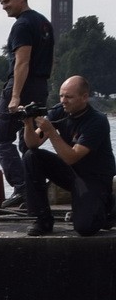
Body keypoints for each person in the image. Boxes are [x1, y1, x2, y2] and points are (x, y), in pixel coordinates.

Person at [21, 75, 115, 236]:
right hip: (72, 173)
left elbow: (72, 157)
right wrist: (28, 124)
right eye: (61, 95)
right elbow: (33, 143)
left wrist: (51, 131)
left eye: (69, 97)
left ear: (84, 97)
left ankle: (108, 208)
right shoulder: (59, 111)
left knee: (85, 228)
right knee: (31, 156)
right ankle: (43, 219)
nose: (64, 100)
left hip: (94, 177)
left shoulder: (97, 121)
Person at [0, 0, 55, 208]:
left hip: (22, 86)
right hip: (40, 86)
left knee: (1, 137)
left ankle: (22, 188)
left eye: (7, 1)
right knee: (28, 142)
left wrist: (15, 96)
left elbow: (22, 62)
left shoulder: (22, 25)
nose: (4, 7)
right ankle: (35, 189)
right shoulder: (44, 23)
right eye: (2, 3)